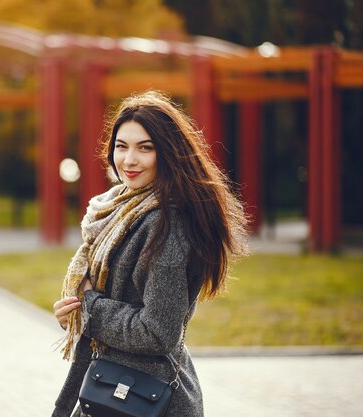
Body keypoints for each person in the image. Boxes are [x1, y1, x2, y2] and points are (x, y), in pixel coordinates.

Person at [51, 91, 249, 417]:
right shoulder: (118, 209)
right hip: (112, 388)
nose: (129, 160)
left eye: (145, 148)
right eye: (121, 146)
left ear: (168, 154)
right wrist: (74, 311)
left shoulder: (167, 225)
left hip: (142, 398)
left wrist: (91, 308)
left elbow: (158, 333)